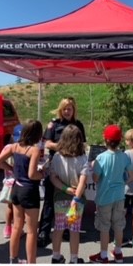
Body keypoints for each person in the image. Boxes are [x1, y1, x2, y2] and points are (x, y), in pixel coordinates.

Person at [0, 119, 45, 264]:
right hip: (29, 191)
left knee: (16, 226)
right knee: (31, 231)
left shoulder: (14, 147)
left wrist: (12, 170)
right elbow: (32, 174)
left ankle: (13, 259)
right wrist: (43, 174)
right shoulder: (34, 150)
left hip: (16, 188)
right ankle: (31, 263)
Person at [38, 97, 86, 247]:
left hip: (73, 169)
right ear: (60, 109)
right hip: (57, 165)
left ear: (73, 110)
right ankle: (44, 232)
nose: (66, 111)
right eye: (64, 109)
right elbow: (46, 142)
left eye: (69, 109)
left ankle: (67, 229)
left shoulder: (78, 125)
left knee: (70, 201)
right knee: (50, 202)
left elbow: (83, 143)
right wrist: (62, 147)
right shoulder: (54, 124)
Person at [89, 124, 132, 264]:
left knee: (104, 226)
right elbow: (132, 175)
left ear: (105, 139)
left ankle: (103, 255)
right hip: (119, 196)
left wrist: (93, 167)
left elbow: (95, 178)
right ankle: (118, 252)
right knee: (119, 225)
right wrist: (123, 181)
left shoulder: (100, 158)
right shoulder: (125, 157)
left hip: (104, 197)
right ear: (120, 140)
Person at [48, 124, 89, 264]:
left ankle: (56, 256)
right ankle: (74, 258)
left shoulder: (57, 157)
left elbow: (53, 177)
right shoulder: (83, 158)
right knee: (74, 230)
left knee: (58, 227)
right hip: (76, 200)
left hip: (60, 196)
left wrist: (65, 189)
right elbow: (83, 182)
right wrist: (76, 197)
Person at [0, 124, 21, 239]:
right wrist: (12, 168)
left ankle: (8, 228)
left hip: (8, 181)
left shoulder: (7, 147)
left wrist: (8, 168)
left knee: (9, 206)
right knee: (17, 207)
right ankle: (16, 228)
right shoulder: (19, 149)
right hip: (16, 181)